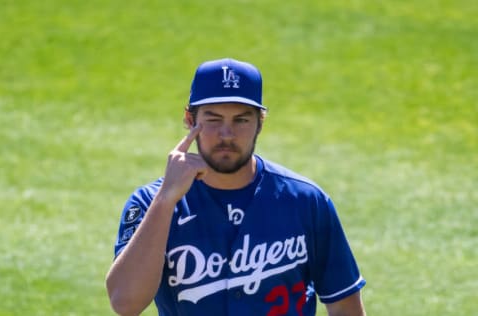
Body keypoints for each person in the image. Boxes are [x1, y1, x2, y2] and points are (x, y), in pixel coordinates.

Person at [106, 58, 366, 316]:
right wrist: (166, 200)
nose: (227, 135)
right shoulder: (150, 202)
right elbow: (125, 303)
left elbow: (345, 306)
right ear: (189, 119)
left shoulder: (306, 201)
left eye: (241, 120)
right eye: (214, 119)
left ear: (260, 122)